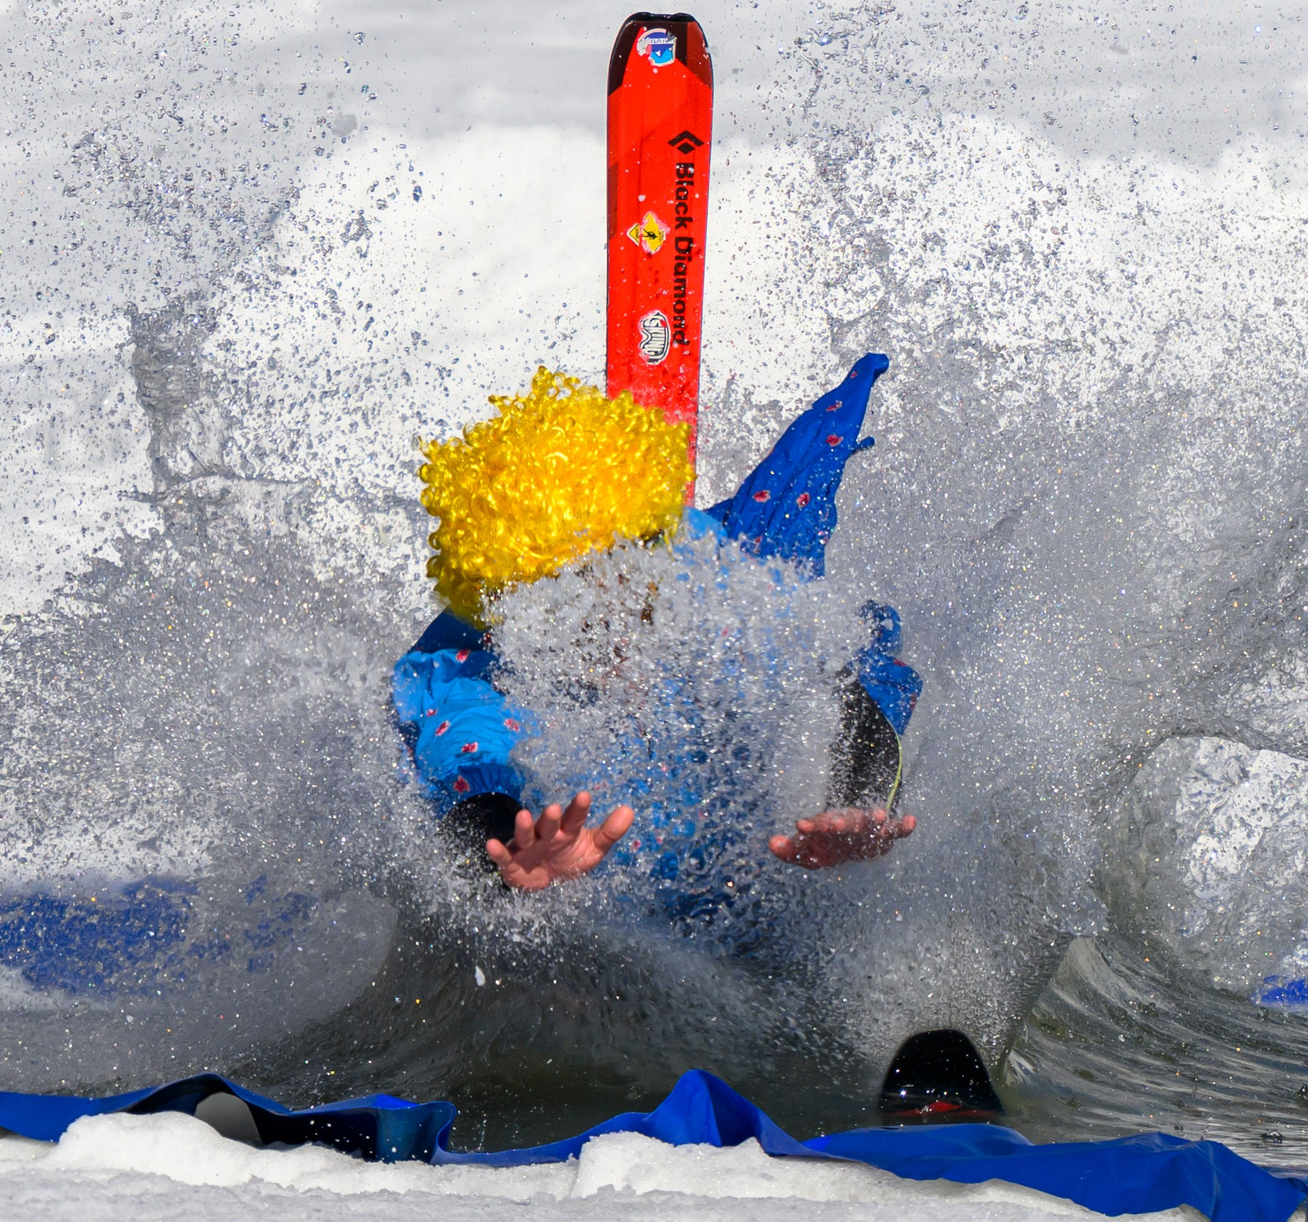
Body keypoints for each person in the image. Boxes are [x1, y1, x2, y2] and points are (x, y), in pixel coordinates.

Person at [392, 355, 920, 895]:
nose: (605, 610)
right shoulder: (481, 673)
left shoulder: (708, 578)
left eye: (622, 567)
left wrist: (859, 803)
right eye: (563, 595)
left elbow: (846, 693)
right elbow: (471, 772)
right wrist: (510, 854)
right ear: (514, 606)